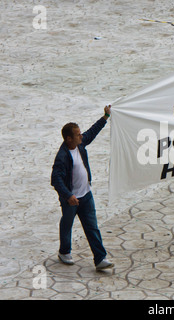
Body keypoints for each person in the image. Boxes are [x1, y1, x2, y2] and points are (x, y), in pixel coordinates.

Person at [51, 105, 114, 270]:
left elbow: (92, 132)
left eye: (80, 134)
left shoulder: (80, 144)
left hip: (85, 195)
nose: (81, 136)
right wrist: (67, 195)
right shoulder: (62, 156)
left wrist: (105, 117)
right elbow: (55, 179)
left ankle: (100, 259)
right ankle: (64, 252)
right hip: (71, 199)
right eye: (77, 135)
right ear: (69, 139)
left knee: (92, 226)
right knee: (67, 223)